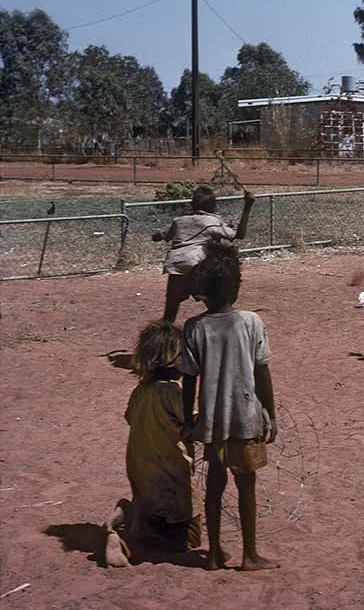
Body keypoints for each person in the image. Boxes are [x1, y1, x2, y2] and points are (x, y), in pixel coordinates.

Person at [179, 243, 278, 571]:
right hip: (246, 417)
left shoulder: (194, 328)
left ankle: (213, 554)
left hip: (212, 420)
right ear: (236, 286)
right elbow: (262, 373)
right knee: (246, 484)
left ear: (203, 292)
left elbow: (189, 380)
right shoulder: (251, 322)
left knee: (214, 486)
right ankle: (250, 554)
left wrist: (186, 420)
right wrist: (271, 414)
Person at [120, 320, 199, 556]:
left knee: (152, 505)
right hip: (171, 466)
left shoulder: (141, 390)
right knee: (188, 533)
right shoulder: (172, 392)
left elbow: (130, 417)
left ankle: (133, 521)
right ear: (168, 361)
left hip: (140, 464)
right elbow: (194, 423)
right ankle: (134, 528)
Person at [153, 185, 255, 322]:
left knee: (169, 315)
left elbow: (164, 235)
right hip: (198, 267)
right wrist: (247, 206)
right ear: (213, 206)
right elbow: (239, 235)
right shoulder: (213, 222)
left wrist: (157, 235)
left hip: (176, 266)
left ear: (192, 204)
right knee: (217, 307)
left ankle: (162, 340)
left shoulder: (179, 221)